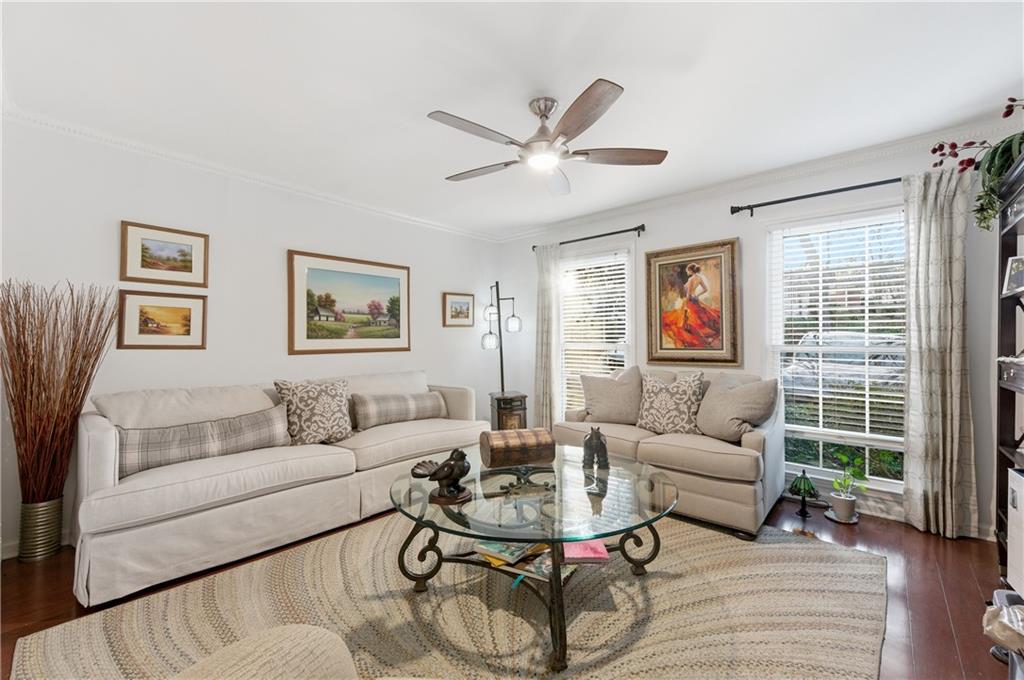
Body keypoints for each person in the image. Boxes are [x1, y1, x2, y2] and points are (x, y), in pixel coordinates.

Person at [661, 262, 721, 349]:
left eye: (687, 271)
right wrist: (697, 295)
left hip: (689, 299)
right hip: (695, 299)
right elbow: (705, 289)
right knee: (697, 317)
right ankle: (697, 332)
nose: (687, 272)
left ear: (691, 270)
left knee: (690, 317)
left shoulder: (691, 279)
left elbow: (688, 293)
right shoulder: (699, 278)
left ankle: (693, 333)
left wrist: (686, 303)